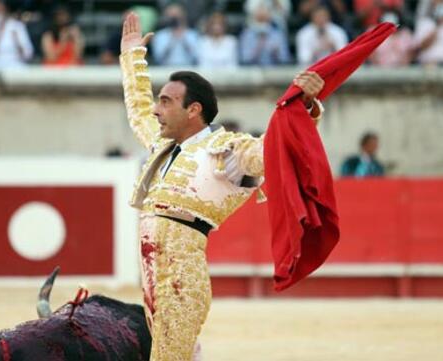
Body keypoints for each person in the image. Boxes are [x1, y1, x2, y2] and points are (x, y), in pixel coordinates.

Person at [120, 12, 325, 361]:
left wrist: (304, 109)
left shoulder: (226, 151)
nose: (157, 110)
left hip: (182, 280)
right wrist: (132, 57)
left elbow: (272, 151)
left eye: (166, 102)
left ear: (193, 110)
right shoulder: (163, 144)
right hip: (155, 276)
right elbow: (138, 109)